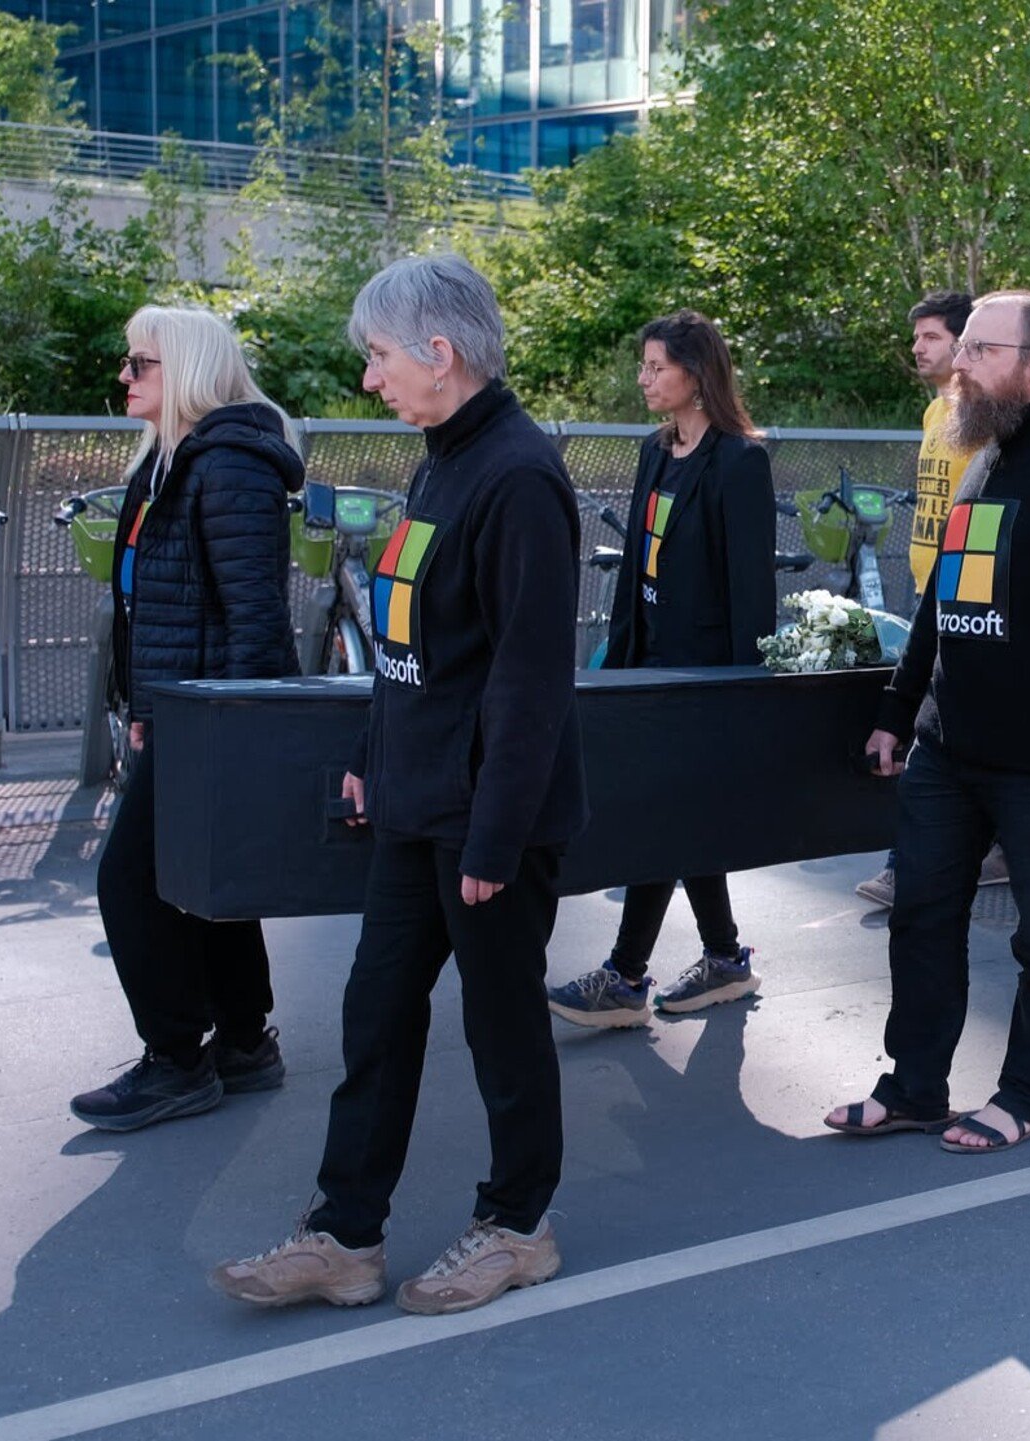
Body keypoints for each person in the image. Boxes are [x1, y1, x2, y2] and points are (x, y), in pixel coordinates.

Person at [210, 254, 588, 1316]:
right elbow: (412, 645)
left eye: (378, 356)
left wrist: (496, 840)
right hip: (417, 801)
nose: (370, 379)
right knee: (376, 1013)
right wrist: (373, 756)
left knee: (504, 1027)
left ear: (440, 351)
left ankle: (519, 1226)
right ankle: (345, 1235)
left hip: (486, 821)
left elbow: (529, 680)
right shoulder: (439, 463)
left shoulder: (517, 475)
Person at [824, 290, 1030, 1153]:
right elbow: (940, 605)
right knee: (920, 918)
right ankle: (915, 1087)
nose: (958, 364)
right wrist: (898, 710)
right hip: (948, 749)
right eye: (959, 348)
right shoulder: (979, 461)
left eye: (979, 350)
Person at [68, 306, 302, 1133]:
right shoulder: (169, 460)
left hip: (215, 716)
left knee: (129, 881)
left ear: (190, 372)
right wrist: (144, 706)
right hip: (182, 709)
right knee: (202, 882)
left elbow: (256, 615)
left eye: (141, 365)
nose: (125, 377)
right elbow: (151, 602)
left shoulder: (228, 465)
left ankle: (175, 1059)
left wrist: (238, 730)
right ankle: (241, 1043)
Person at [545, 310, 776, 1028]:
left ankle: (627, 973)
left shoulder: (740, 461)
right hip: (646, 664)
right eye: (643, 366)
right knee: (676, 815)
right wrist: (618, 658)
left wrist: (745, 695)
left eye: (656, 367)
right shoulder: (655, 451)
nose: (643, 379)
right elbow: (634, 570)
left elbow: (751, 594)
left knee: (663, 814)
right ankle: (724, 958)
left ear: (696, 373)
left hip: (703, 677)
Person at [856, 290, 1011, 909]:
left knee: (930, 730)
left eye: (931, 338)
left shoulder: (983, 416)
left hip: (964, 595)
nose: (918, 347)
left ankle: (908, 864)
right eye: (915, 336)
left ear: (964, 343)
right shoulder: (932, 415)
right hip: (927, 588)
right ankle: (986, 848)